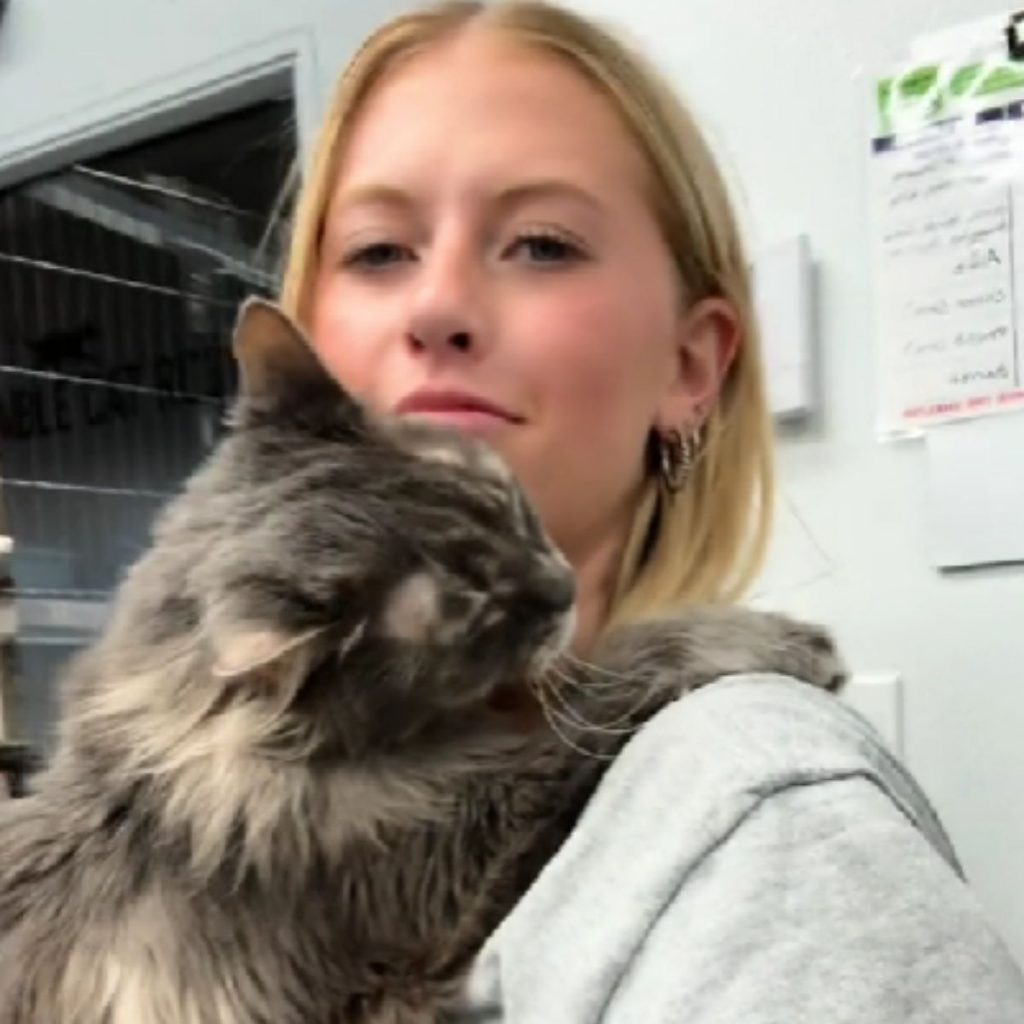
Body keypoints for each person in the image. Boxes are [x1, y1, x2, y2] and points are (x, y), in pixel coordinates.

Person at [278, 1, 1024, 1018]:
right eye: (377, 251)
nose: (436, 306)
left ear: (687, 365)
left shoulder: (763, 833)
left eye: (540, 244)